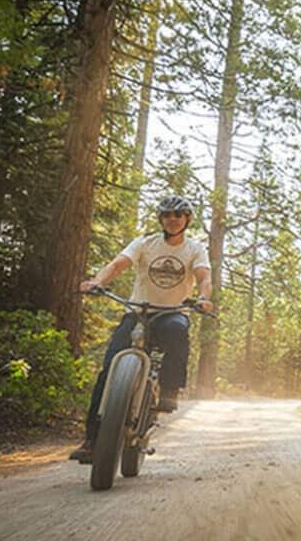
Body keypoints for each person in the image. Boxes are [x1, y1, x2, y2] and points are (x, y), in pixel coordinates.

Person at [68, 196, 214, 464]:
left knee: (179, 332)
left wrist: (203, 297)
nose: (173, 219)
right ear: (161, 218)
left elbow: (204, 276)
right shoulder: (145, 243)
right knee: (109, 370)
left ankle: (169, 388)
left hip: (171, 313)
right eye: (168, 214)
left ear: (187, 220)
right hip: (138, 312)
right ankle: (92, 441)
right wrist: (97, 281)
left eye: (178, 215)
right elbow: (118, 264)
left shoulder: (195, 249)